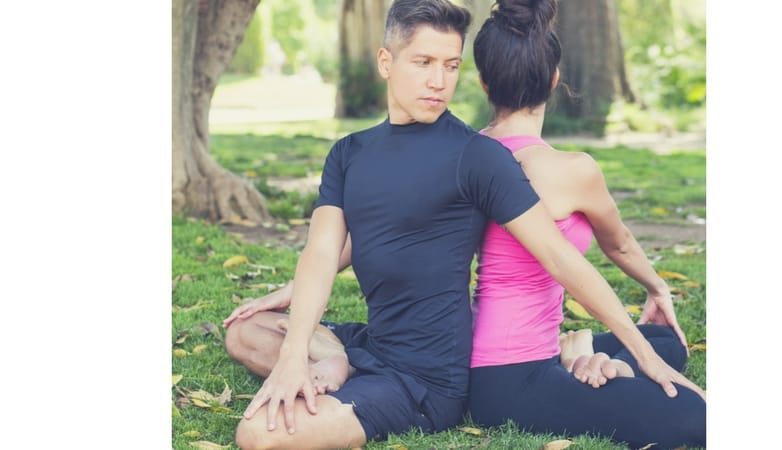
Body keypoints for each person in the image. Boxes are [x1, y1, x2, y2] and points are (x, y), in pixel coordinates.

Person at [223, 1, 704, 449]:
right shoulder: (348, 153)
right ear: (386, 61)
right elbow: (326, 249)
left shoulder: (478, 156)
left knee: (256, 434)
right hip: (378, 342)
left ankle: (336, 364)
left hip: (424, 379)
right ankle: (337, 359)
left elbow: (560, 258)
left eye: (451, 66)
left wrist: (644, 354)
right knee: (245, 330)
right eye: (423, 62)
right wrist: (293, 347)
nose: (438, 81)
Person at [465, 1, 706, 448]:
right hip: (513, 377)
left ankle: (581, 357)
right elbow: (620, 243)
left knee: (666, 341)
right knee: (697, 415)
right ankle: (580, 360)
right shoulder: (574, 170)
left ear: (484, 83)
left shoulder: (468, 155)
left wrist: (656, 297)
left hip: (484, 357)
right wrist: (657, 288)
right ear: (554, 80)